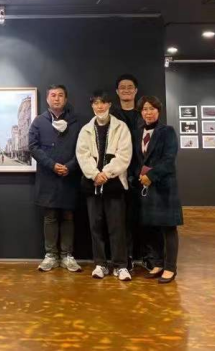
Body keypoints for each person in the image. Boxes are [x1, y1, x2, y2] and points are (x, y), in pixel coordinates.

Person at [76, 91, 132, 281]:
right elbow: (82, 155)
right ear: (92, 106)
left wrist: (106, 174)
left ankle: (120, 266)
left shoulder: (121, 127)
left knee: (117, 227)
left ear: (109, 105)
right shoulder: (85, 130)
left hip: (114, 184)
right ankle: (100, 264)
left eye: (103, 103)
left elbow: (124, 155)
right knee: (95, 226)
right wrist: (95, 174)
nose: (99, 107)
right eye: (96, 103)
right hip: (92, 184)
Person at [29, 85, 82, 273]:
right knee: (50, 216)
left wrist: (70, 166)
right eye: (53, 95)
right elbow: (33, 147)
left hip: (70, 176)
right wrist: (52, 165)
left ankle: (67, 255)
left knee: (68, 216)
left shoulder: (76, 122)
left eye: (60, 95)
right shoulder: (39, 121)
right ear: (47, 99)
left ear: (66, 99)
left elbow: (84, 148)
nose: (57, 98)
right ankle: (50, 255)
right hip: (48, 176)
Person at [133, 96, 183, 284]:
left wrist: (151, 176)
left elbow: (169, 160)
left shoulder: (167, 131)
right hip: (145, 187)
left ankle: (170, 268)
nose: (148, 112)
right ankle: (158, 263)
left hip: (163, 187)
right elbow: (136, 160)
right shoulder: (138, 133)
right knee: (152, 228)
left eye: (152, 108)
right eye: (145, 109)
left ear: (159, 111)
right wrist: (139, 176)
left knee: (168, 228)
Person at [110, 74, 149, 270]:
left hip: (143, 174)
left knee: (146, 217)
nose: (126, 90)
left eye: (130, 87)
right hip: (119, 174)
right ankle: (126, 257)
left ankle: (149, 256)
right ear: (117, 92)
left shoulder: (144, 114)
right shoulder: (111, 115)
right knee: (122, 219)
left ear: (136, 90)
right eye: (122, 87)